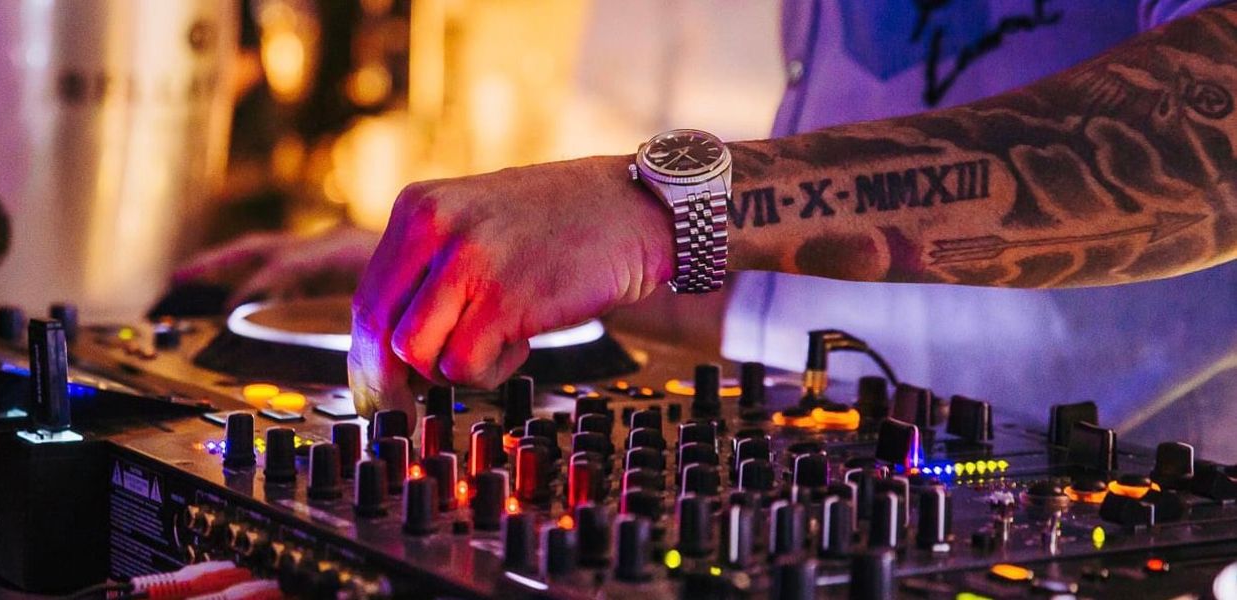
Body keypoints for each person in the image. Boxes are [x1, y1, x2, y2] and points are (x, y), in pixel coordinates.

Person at [176, 1, 1237, 451]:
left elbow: (1214, 139)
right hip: (827, 461)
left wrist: (656, 205)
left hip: (1121, 507)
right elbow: (825, 261)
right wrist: (507, 271)